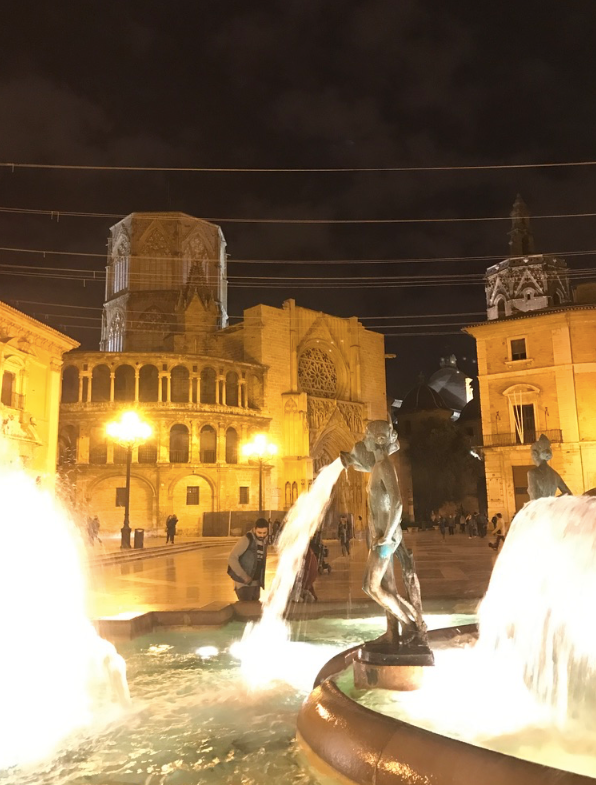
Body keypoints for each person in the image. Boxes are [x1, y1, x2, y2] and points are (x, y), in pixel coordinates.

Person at [227, 518, 269, 601]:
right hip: (244, 585)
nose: (262, 535)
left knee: (254, 611)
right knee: (246, 611)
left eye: (264, 533)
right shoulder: (246, 540)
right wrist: (244, 576)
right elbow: (232, 558)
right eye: (259, 533)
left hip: (256, 584)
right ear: (254, 529)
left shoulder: (263, 541)